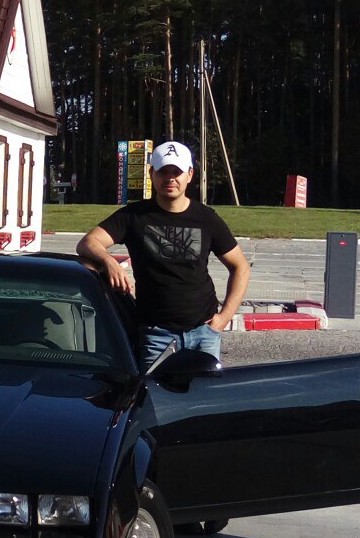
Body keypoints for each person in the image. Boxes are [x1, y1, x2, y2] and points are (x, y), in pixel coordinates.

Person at [76, 140, 250, 373]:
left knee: (203, 395)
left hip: (204, 333)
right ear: (152, 174)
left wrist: (224, 317)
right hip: (156, 336)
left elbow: (240, 266)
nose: (170, 178)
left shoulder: (207, 218)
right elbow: (88, 243)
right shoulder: (134, 216)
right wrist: (108, 261)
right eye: (163, 171)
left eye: (176, 172)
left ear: (190, 175)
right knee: (155, 395)